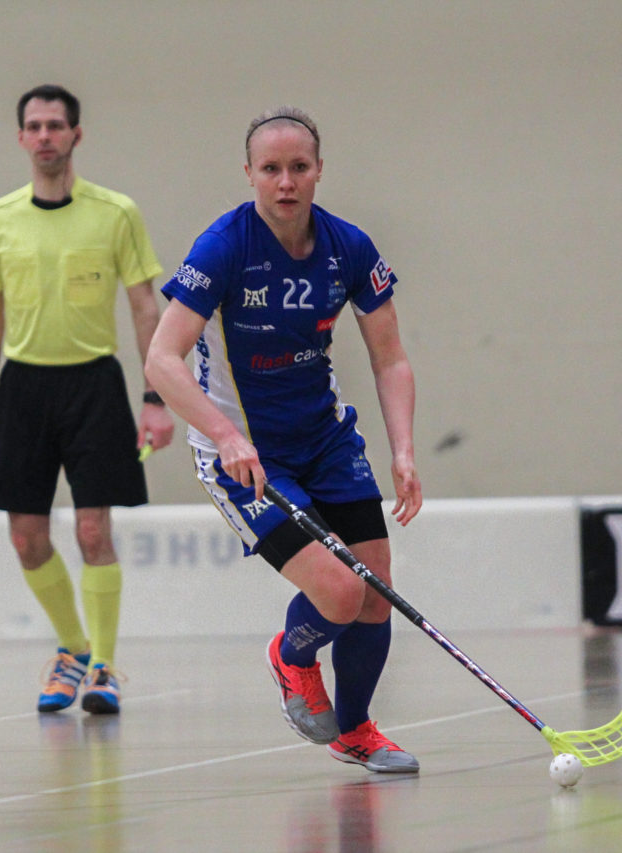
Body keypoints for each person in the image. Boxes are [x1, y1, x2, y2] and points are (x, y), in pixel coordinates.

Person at [144, 107, 423, 772]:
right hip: (244, 456)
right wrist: (224, 435)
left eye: (299, 167)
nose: (286, 181)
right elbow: (161, 359)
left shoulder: (349, 247)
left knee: (375, 589)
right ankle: (291, 655)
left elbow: (390, 358)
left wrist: (404, 450)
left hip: (325, 440)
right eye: (271, 169)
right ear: (249, 174)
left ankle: (356, 730)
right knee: (340, 591)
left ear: (319, 170)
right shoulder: (223, 247)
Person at [0, 84, 173, 715]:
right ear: (21, 138)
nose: (45, 136)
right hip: (22, 390)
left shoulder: (115, 214)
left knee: (92, 529)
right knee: (27, 538)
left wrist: (156, 397)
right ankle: (73, 648)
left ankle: (104, 669)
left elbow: (145, 307)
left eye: (56, 125)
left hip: (94, 387)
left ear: (76, 135)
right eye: (34, 126)